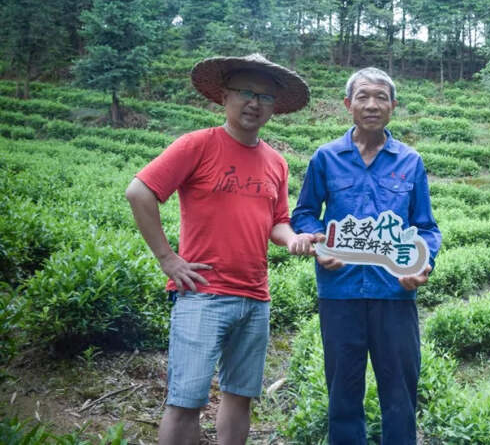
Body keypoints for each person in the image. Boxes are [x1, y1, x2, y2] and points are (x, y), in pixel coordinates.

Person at [125, 53, 321, 445]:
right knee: (185, 402)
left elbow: (277, 222)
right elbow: (139, 192)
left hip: (255, 298)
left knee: (240, 397)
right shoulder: (197, 145)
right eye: (246, 92)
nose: (254, 102)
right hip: (203, 295)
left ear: (275, 107)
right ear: (224, 96)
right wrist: (168, 259)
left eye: (265, 96)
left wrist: (294, 238)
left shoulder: (276, 162)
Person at [292, 67, 442, 444]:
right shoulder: (326, 158)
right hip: (339, 291)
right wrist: (317, 242)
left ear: (393, 106)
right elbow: (305, 213)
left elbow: (426, 227)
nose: (371, 105)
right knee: (343, 389)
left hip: (394, 293)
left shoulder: (410, 161)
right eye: (363, 97)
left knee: (400, 391)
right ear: (348, 104)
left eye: (380, 97)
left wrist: (424, 264)